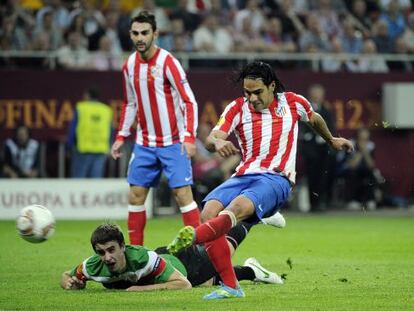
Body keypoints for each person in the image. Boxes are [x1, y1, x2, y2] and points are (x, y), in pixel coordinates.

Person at [167, 61, 354, 300]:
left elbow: (314, 118)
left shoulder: (293, 102)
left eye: (257, 92)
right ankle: (232, 287)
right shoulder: (237, 108)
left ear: (271, 86)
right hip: (244, 175)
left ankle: (194, 237)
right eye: (247, 92)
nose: (252, 98)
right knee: (208, 212)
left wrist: (331, 140)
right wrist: (218, 143)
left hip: (277, 178)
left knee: (237, 208)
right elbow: (212, 138)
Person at [110, 11, 200, 246]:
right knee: (136, 196)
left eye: (145, 33)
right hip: (145, 144)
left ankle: (202, 251)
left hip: (173, 142)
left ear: (155, 34)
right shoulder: (129, 65)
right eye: (135, 33)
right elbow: (130, 103)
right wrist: (121, 136)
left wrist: (189, 137)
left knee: (183, 196)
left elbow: (189, 101)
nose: (140, 38)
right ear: (130, 34)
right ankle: (136, 253)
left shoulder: (168, 62)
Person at [60, 223, 283, 291]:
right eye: (101, 252)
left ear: (123, 247)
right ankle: (253, 270)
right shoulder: (93, 266)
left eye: (111, 250)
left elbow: (183, 284)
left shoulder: (142, 259)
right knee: (214, 282)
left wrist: (138, 289)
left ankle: (255, 216)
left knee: (223, 249)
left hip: (186, 264)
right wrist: (69, 282)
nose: (107, 257)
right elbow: (68, 275)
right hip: (168, 262)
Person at [300, 84, 337, 212]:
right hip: (311, 151)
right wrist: (314, 136)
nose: (318, 97)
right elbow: (302, 128)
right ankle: (313, 204)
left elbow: (331, 127)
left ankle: (323, 201)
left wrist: (327, 138)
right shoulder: (305, 110)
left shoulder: (326, 110)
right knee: (312, 177)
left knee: (324, 176)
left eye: (320, 94)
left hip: (323, 151)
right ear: (311, 95)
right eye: (316, 94)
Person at [67, 87, 113, 178]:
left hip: (83, 148)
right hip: (101, 149)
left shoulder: (81, 108)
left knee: (78, 180)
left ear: (88, 95)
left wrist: (69, 146)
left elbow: (72, 129)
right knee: (96, 181)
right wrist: (110, 146)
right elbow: (111, 130)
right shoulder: (106, 110)